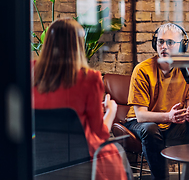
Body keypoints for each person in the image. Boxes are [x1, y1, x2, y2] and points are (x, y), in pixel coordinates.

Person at [32, 18, 132, 180]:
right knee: (118, 153)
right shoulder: (89, 78)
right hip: (79, 163)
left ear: (48, 43)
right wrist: (111, 111)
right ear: (78, 45)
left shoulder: (31, 71)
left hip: (39, 162)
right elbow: (100, 134)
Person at [124, 23, 189, 180]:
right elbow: (141, 116)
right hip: (139, 124)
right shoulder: (142, 70)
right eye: (160, 41)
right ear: (155, 44)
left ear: (182, 46)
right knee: (151, 130)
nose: (164, 46)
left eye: (170, 42)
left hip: (171, 125)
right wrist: (168, 117)